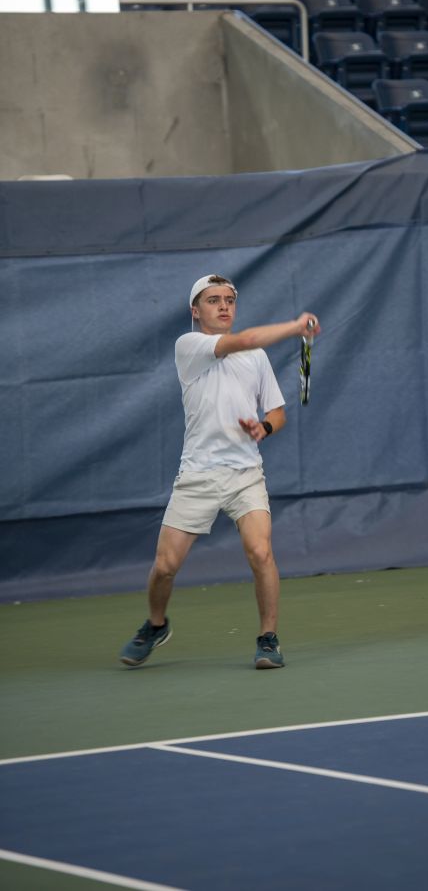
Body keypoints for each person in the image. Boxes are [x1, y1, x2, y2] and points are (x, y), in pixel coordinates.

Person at [119, 274, 319, 670]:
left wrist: (263, 428)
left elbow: (277, 413)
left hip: (246, 474)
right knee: (165, 567)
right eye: (213, 300)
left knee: (260, 552)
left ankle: (268, 638)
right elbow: (245, 340)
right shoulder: (189, 346)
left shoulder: (256, 358)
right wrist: (296, 327)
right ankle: (156, 625)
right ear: (196, 311)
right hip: (197, 474)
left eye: (229, 299)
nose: (224, 306)